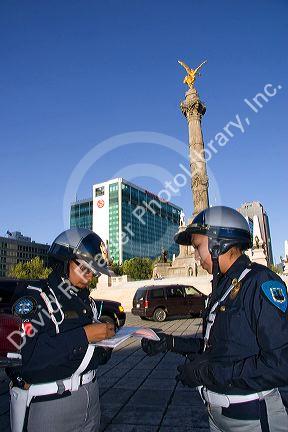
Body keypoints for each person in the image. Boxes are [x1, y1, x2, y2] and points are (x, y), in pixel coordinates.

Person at [142, 206, 288, 431]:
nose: (197, 256)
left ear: (219, 244)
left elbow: (280, 365)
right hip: (216, 416)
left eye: (198, 247)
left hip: (252, 417)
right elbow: (221, 346)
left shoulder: (260, 283)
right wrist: (170, 343)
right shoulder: (222, 287)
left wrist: (206, 373)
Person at [6, 228, 116, 432]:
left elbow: (94, 356)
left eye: (93, 272)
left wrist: (106, 342)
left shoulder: (86, 303)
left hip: (91, 397)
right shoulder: (36, 299)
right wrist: (85, 335)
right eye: (84, 268)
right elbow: (22, 359)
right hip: (51, 402)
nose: (89, 277)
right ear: (64, 260)